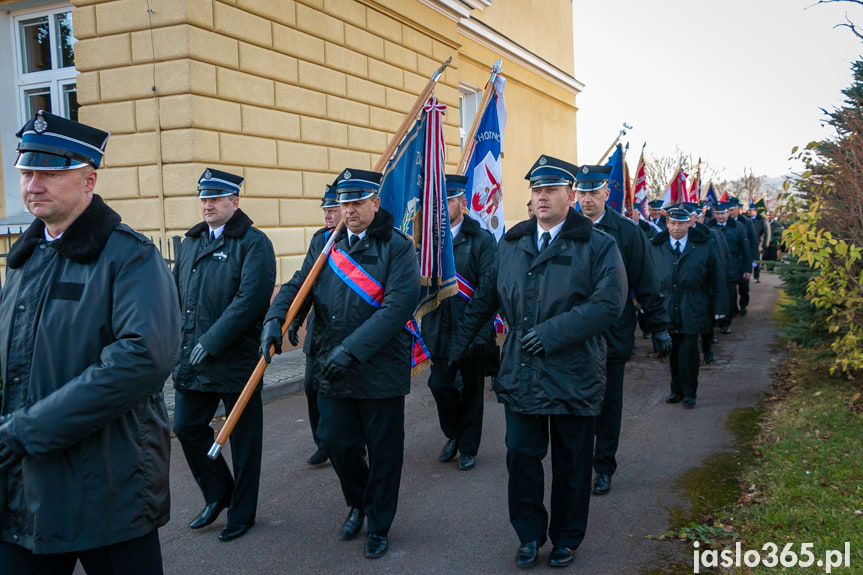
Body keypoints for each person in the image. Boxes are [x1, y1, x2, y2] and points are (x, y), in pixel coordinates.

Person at [0, 111, 180, 574]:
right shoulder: (23, 260)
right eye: (27, 171)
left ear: (88, 180)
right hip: (24, 489)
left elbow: (142, 359)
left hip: (109, 490)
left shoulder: (130, 256)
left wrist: (28, 429)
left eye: (50, 173)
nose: (33, 185)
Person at [451, 155, 626, 568]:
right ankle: (529, 535)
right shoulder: (512, 243)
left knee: (572, 462)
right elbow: (484, 300)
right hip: (522, 373)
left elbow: (608, 304)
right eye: (536, 189)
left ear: (570, 194)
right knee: (522, 458)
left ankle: (566, 538)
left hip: (575, 372)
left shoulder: (599, 245)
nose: (542, 196)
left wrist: (548, 335)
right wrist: (454, 350)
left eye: (551, 189)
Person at [260, 168, 420, 559]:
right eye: (344, 202)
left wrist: (350, 350)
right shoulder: (325, 242)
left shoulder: (398, 247)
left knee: (383, 451)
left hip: (377, 367)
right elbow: (299, 285)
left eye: (357, 201)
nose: (349, 209)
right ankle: (360, 502)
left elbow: (397, 307)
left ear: (375, 203)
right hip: (332, 363)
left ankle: (379, 522)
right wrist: (276, 321)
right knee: (335, 442)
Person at [172, 168, 276, 542]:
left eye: (215, 198)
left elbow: (249, 302)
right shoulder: (192, 242)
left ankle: (243, 513)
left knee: (246, 442)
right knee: (185, 427)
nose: (207, 205)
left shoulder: (254, 243)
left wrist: (212, 340)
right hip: (193, 359)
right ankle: (218, 493)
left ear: (235, 201)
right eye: (204, 198)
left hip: (235, 360)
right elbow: (178, 298)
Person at [574, 165, 670, 496]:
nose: (586, 199)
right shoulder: (566, 229)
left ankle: (603, 466)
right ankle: (577, 463)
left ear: (606, 193)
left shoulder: (628, 232)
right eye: (581, 193)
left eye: (592, 192)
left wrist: (657, 326)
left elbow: (646, 281)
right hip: (574, 332)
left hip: (613, 332)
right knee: (576, 400)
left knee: (608, 402)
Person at [421, 174, 498, 471]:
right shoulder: (429, 241)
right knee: (440, 385)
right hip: (438, 330)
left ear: (462, 204)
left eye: (449, 200)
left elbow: (488, 290)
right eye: (438, 201)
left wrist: (475, 328)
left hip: (472, 330)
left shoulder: (481, 239)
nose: (442, 206)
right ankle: (453, 433)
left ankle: (468, 446)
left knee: (471, 391)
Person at [651, 207, 727, 407]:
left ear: (689, 223)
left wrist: (720, 308)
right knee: (672, 350)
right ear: (667, 224)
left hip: (693, 305)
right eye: (673, 223)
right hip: (667, 305)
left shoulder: (703, 244)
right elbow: (650, 278)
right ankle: (675, 390)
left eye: (681, 223)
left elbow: (717, 278)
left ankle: (689, 393)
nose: (677, 228)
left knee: (689, 350)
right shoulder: (657, 246)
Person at [288, 183, 342, 466]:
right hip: (319, 331)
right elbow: (306, 284)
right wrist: (295, 320)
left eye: (332, 209)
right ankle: (323, 442)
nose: (328, 216)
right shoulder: (320, 240)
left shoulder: (351, 240)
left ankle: (344, 442)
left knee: (341, 394)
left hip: (345, 334)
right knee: (311, 387)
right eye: (325, 210)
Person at [708, 202, 751, 334]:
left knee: (730, 295)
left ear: (728, 213)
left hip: (732, 265)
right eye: (717, 213)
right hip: (714, 266)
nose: (720, 216)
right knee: (713, 294)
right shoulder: (709, 226)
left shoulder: (738, 227)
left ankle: (726, 322)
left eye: (723, 213)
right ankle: (715, 319)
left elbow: (745, 249)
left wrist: (747, 268)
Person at [728, 197, 757, 315]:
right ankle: (733, 307)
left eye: (731, 209)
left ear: (738, 209)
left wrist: (752, 261)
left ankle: (743, 305)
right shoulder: (726, 223)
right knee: (731, 288)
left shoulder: (747, 223)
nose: (729, 212)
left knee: (744, 287)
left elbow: (753, 242)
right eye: (728, 210)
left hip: (743, 259)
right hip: (731, 261)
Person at [747, 202, 770, 282]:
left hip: (758, 244)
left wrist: (765, 245)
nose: (749, 212)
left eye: (751, 210)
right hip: (748, 244)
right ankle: (747, 275)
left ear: (755, 211)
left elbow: (767, 232)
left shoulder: (762, 220)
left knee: (756, 261)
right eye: (749, 210)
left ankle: (756, 277)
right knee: (747, 260)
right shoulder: (746, 219)